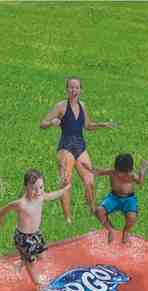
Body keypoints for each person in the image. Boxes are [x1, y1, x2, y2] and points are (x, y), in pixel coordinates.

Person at [39, 76, 115, 223]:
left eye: (77, 87)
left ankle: (93, 210)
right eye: (71, 87)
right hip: (65, 147)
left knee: (90, 181)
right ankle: (68, 219)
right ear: (67, 89)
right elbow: (42, 123)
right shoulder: (61, 106)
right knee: (66, 182)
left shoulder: (82, 106)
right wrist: (52, 122)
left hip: (80, 147)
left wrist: (102, 124)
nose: (74, 90)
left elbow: (87, 125)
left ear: (81, 90)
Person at [0, 169, 71, 289]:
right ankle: (38, 284)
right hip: (23, 238)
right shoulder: (21, 204)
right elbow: (5, 209)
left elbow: (53, 195)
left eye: (41, 187)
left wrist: (65, 188)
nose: (38, 191)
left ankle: (22, 261)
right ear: (26, 187)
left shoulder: (41, 197)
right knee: (32, 265)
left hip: (36, 234)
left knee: (42, 256)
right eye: (34, 189)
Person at [81, 154, 148, 244]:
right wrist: (89, 168)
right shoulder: (112, 172)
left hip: (129, 199)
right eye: (118, 171)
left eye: (122, 172)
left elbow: (140, 182)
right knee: (99, 211)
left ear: (129, 170)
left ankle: (126, 231)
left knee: (132, 217)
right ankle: (110, 229)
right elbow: (99, 172)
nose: (119, 174)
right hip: (114, 198)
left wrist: (142, 170)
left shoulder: (132, 175)